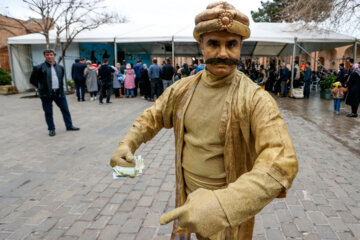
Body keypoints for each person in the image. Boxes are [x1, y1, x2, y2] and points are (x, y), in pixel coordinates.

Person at [109, 2, 298, 239]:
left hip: (227, 215)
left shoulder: (256, 99)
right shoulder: (182, 90)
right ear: (202, 46)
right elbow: (152, 117)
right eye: (213, 43)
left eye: (231, 44)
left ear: (241, 46)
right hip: (186, 202)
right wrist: (127, 144)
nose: (222, 53)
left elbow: (282, 162)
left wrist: (223, 205)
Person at [30, 49, 80, 136]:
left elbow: (60, 79)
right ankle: (51, 129)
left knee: (65, 110)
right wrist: (41, 88)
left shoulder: (60, 68)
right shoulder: (39, 67)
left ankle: (69, 126)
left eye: (51, 54)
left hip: (59, 93)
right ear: (44, 56)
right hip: (46, 94)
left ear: (54, 55)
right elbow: (33, 80)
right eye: (47, 55)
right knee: (49, 112)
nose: (49, 56)